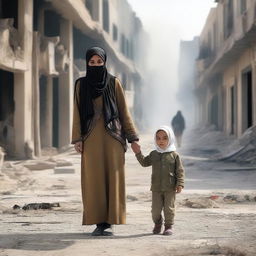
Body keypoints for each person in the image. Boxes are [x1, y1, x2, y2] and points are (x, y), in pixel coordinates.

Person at [72, 46, 139, 236]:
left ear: (104, 62)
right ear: (87, 63)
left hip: (113, 138)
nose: (95, 65)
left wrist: (132, 138)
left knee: (113, 179)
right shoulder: (80, 85)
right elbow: (76, 112)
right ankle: (98, 222)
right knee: (93, 180)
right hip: (90, 138)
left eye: (99, 62)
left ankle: (110, 222)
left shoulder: (114, 83)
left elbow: (124, 112)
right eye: (92, 62)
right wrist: (77, 138)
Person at [131, 126, 185, 235]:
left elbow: (180, 170)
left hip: (170, 187)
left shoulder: (174, 155)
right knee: (155, 211)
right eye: (158, 138)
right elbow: (144, 163)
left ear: (170, 139)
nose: (161, 141)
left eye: (165, 138)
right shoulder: (153, 154)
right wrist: (138, 152)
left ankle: (168, 226)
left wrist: (180, 184)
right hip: (156, 188)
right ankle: (158, 223)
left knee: (169, 209)